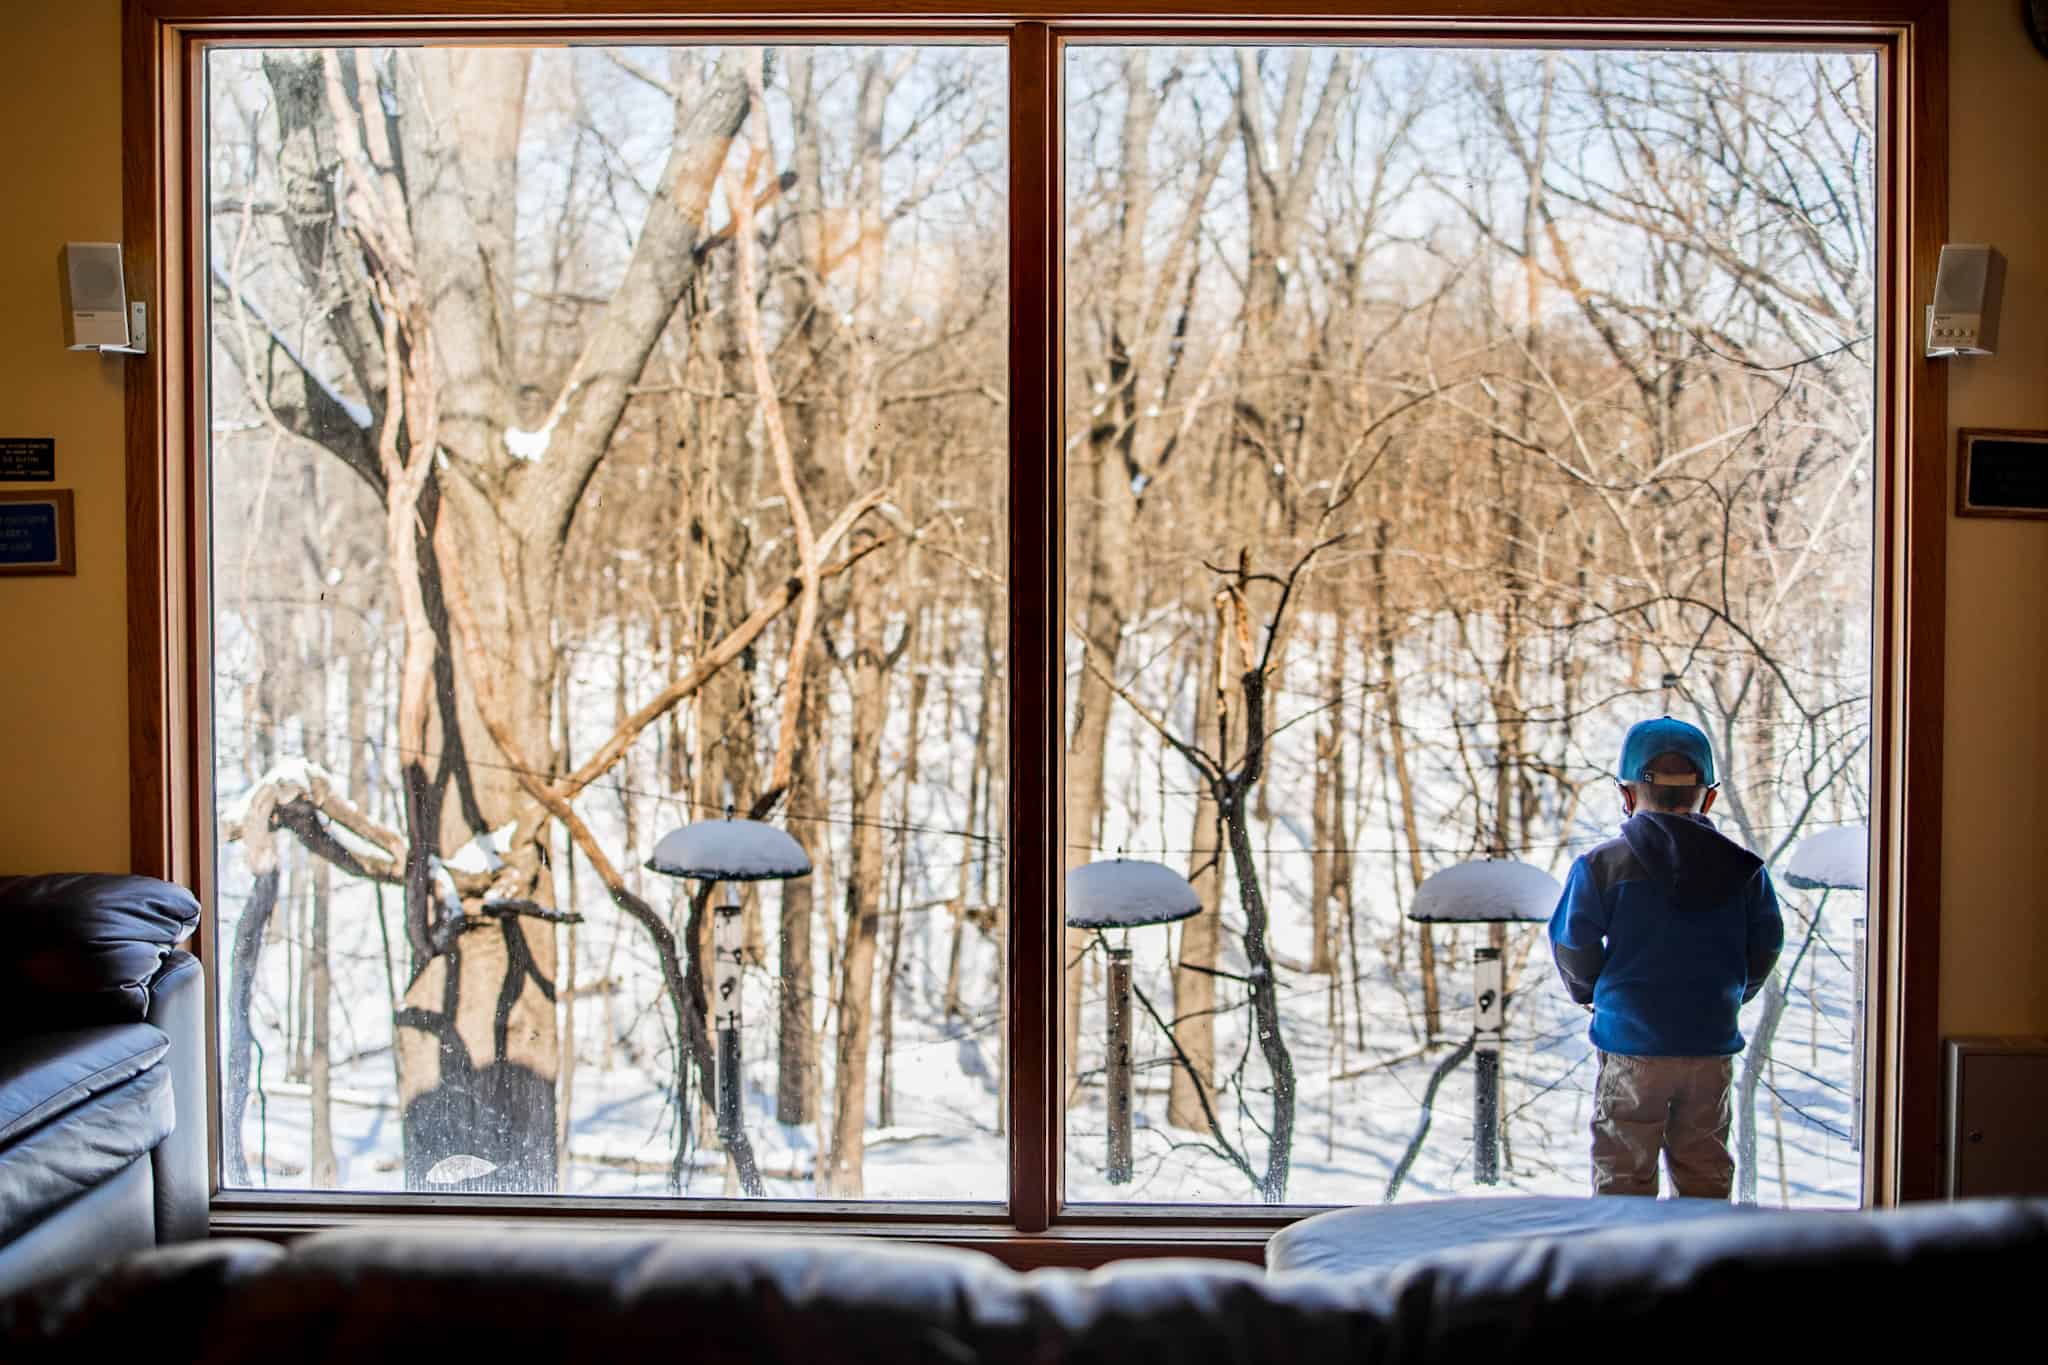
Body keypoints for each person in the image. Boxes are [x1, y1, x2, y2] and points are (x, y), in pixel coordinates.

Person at [1548, 716, 1784, 1199]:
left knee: (1624, 1171)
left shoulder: (1602, 866)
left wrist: (1594, 993)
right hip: (1709, 1043)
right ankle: (1701, 1267)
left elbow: (1573, 943)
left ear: (1627, 795)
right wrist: (1732, 995)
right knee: (1704, 1171)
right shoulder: (1743, 870)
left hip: (1631, 1044)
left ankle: (1628, 1270)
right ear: (1709, 796)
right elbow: (1765, 944)